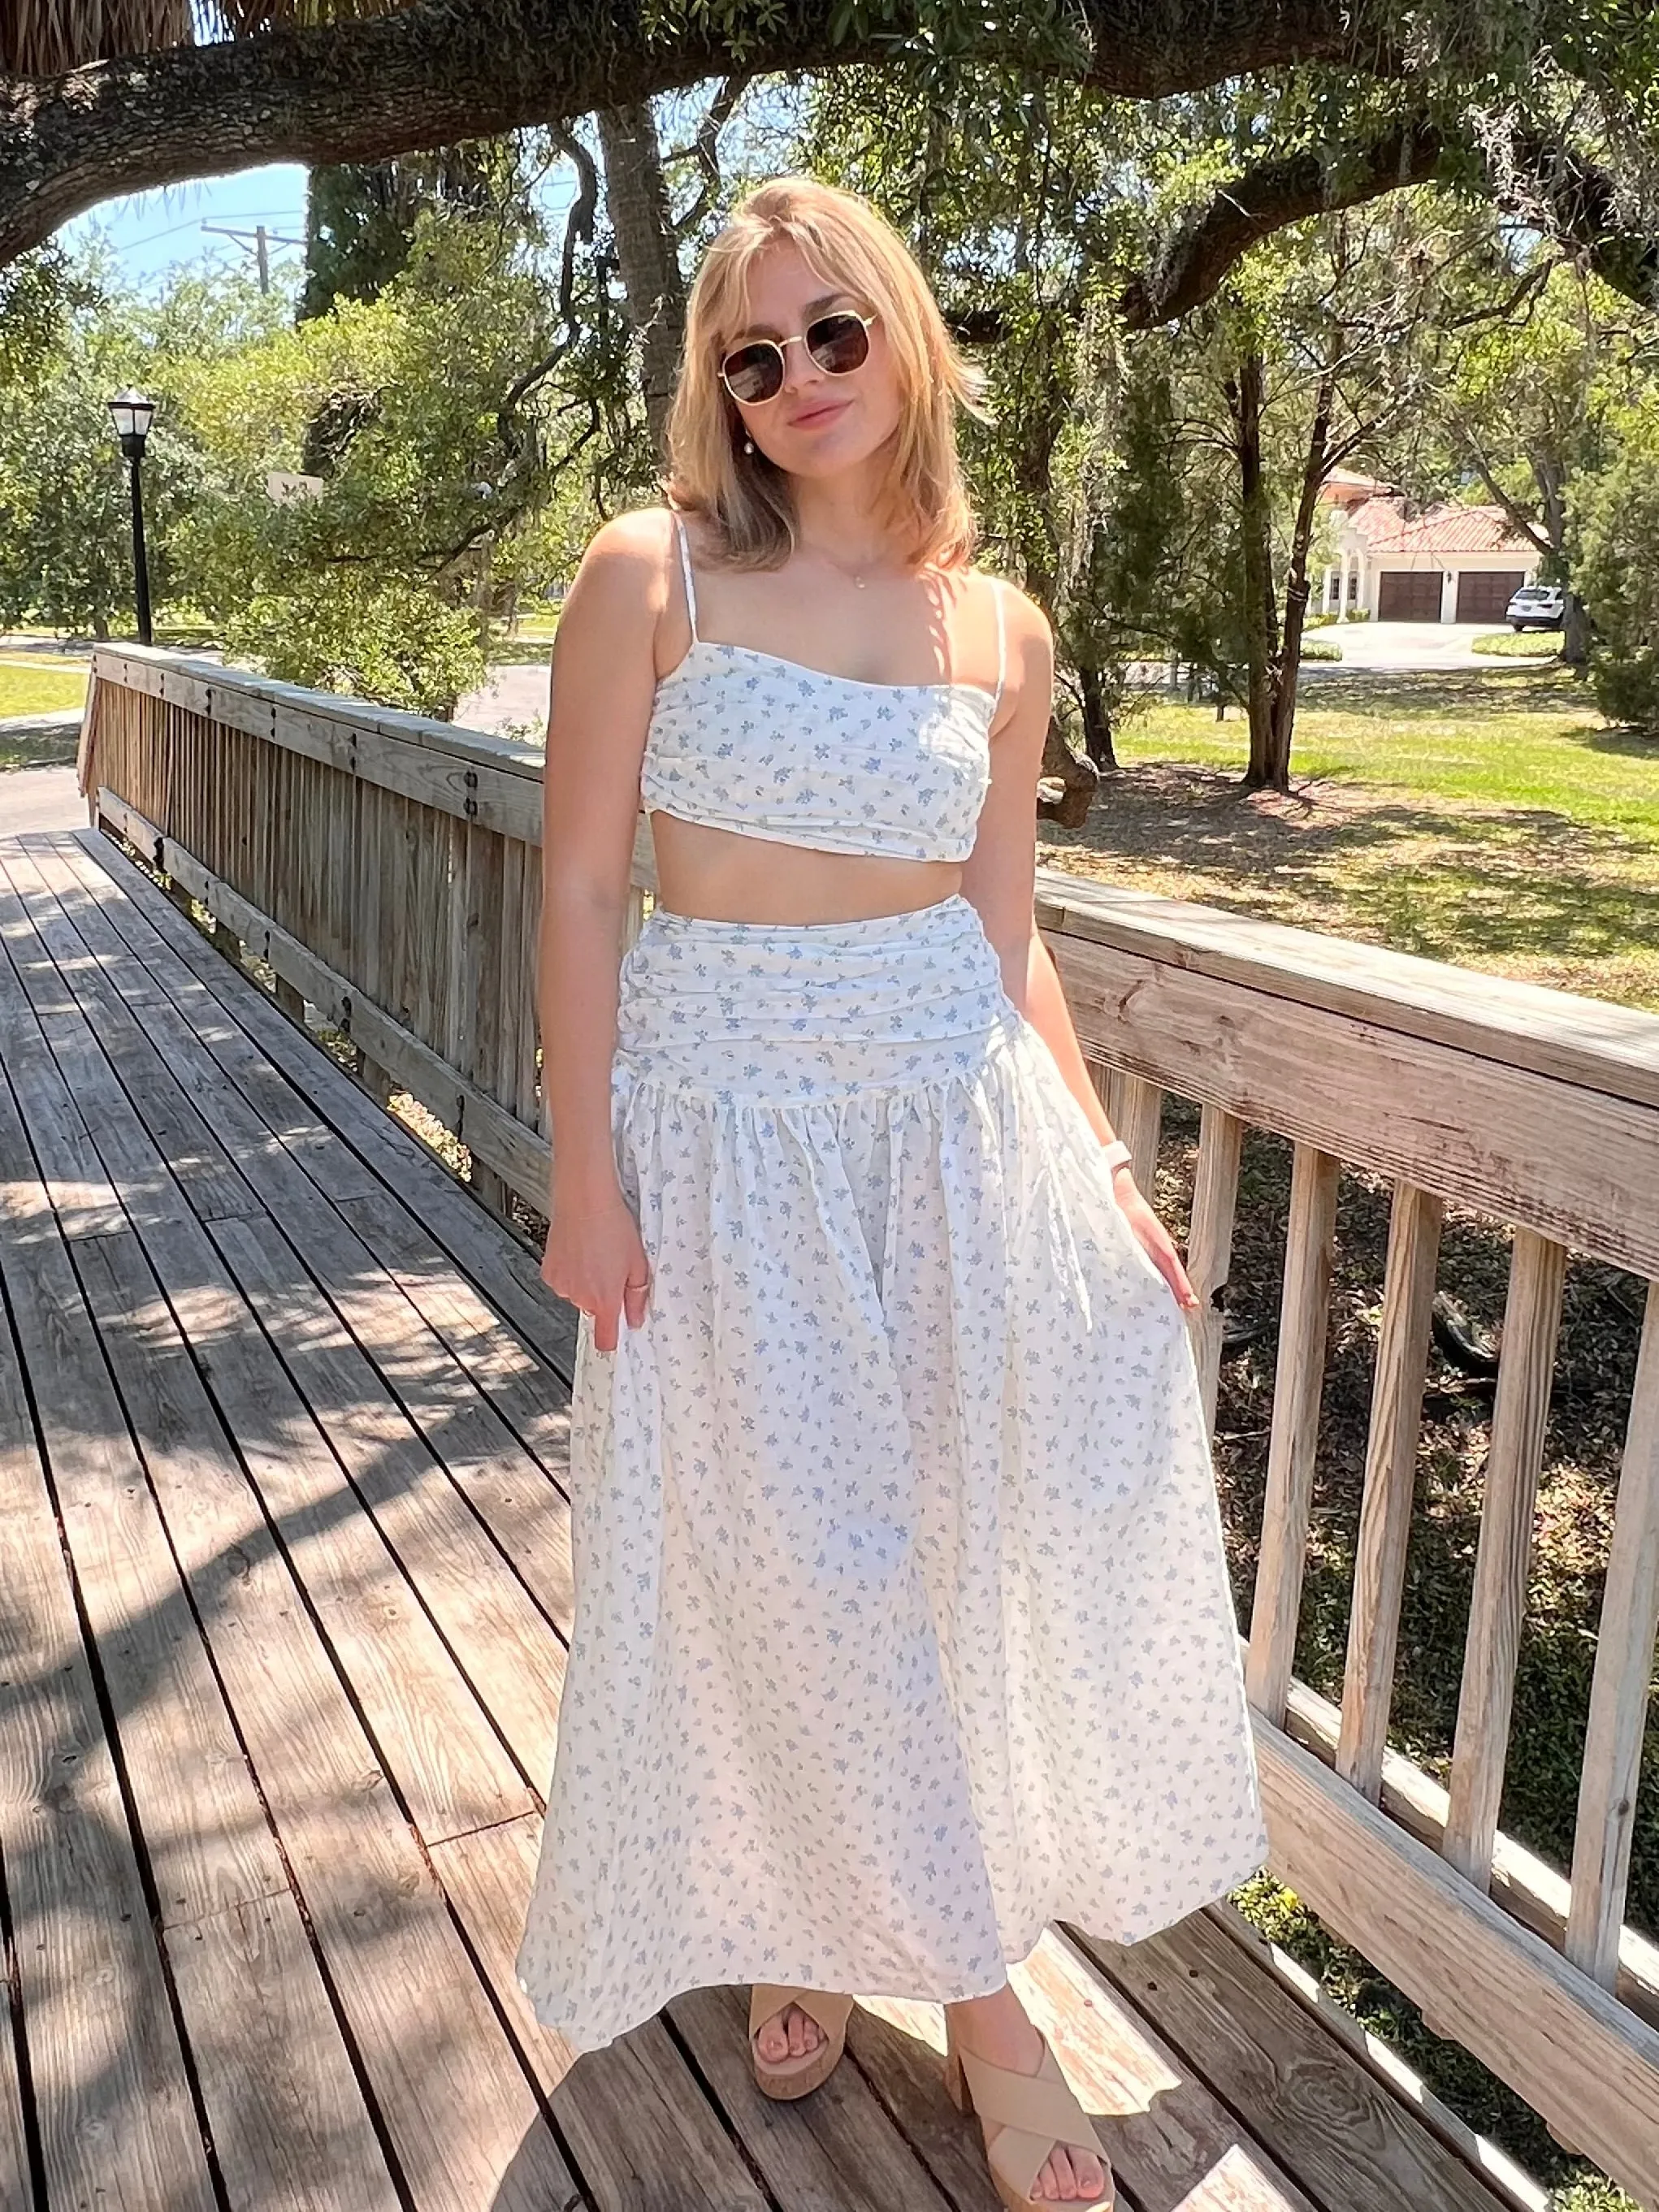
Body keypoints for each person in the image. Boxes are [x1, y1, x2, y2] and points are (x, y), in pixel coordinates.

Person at [514, 174, 1267, 2212]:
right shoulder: (646, 572)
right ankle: (997, 2014)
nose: (795, 379)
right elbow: (582, 885)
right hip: (727, 1128)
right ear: (718, 390)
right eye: (751, 354)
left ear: (904, 335)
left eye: (831, 331)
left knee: (925, 1546)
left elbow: (999, 925)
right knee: (800, 1557)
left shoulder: (996, 626)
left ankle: (824, 1922)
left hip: (950, 1127)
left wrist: (1100, 1165)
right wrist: (583, 1170)